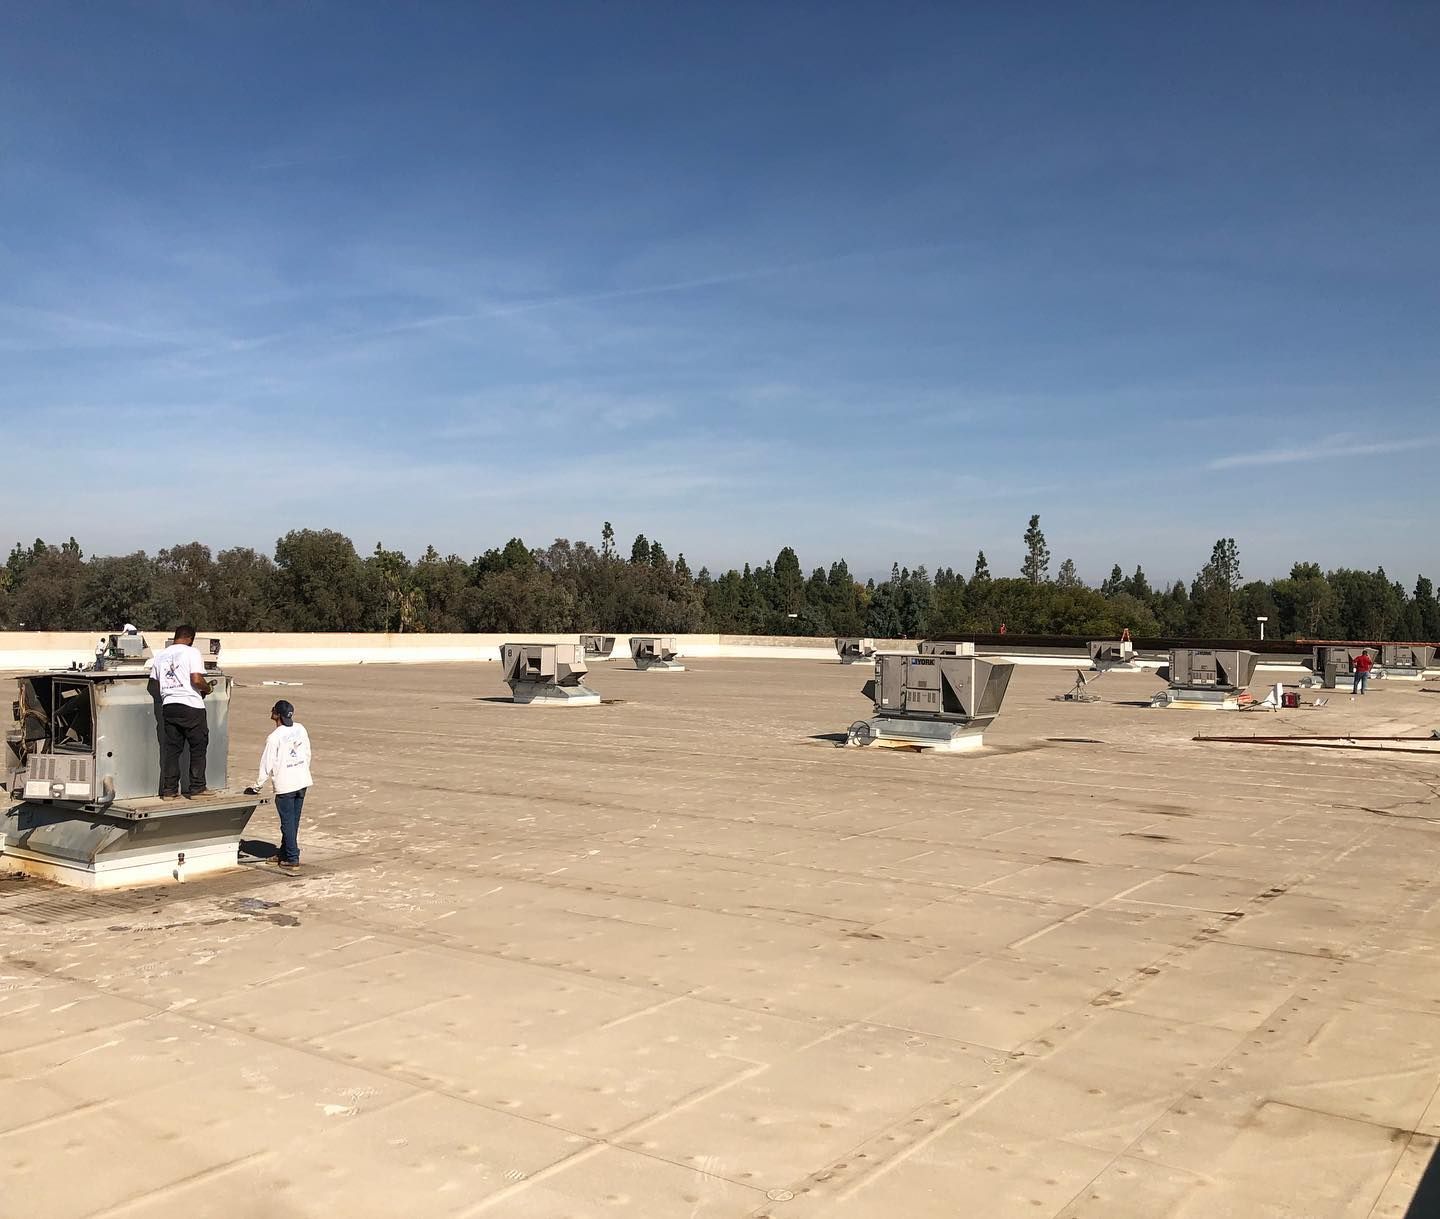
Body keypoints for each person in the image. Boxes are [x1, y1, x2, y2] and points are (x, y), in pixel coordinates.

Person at [147, 625, 214, 799]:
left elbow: (153, 684)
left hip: (169, 705)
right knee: (198, 747)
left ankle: (169, 790)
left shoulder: (160, 655)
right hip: (191, 706)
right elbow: (197, 679)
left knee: (172, 750)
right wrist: (207, 689)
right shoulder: (192, 653)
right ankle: (198, 788)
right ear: (190, 638)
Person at [246, 700, 312, 871]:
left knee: (287, 822)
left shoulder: (274, 737)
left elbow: (266, 764)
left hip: (286, 784)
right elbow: (307, 753)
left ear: (276, 715)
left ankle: (292, 857)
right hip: (302, 780)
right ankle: (284, 852)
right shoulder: (300, 728)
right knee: (293, 821)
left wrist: (256, 786)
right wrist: (303, 770)